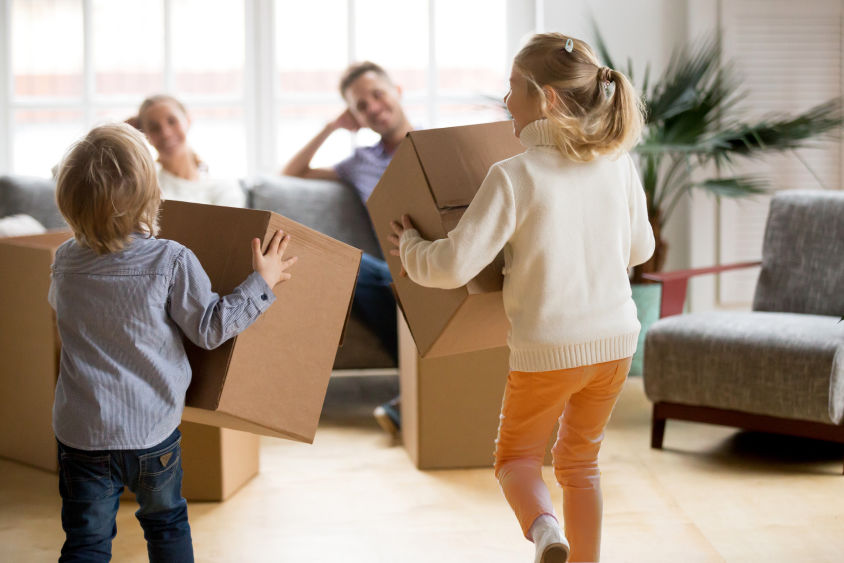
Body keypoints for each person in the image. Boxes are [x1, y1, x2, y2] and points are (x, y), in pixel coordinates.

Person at [387, 33, 654, 563]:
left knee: (516, 459)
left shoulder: (514, 175)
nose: (506, 101)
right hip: (617, 342)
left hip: (549, 351)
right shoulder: (617, 162)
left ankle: (546, 531)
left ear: (547, 99)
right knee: (581, 464)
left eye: (513, 89)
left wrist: (411, 248)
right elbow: (640, 248)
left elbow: (452, 266)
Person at [49, 122, 297, 562]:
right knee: (166, 526)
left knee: (86, 542)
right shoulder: (170, 260)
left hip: (81, 434)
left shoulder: (63, 259)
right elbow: (210, 328)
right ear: (152, 194)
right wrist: (263, 281)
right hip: (151, 434)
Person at [282, 61, 413, 436]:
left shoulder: (437, 144)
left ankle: (417, 393)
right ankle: (417, 387)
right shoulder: (360, 162)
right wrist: (331, 127)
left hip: (445, 260)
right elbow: (291, 173)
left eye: (377, 95)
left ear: (397, 91)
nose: (372, 107)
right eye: (360, 106)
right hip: (396, 270)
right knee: (346, 264)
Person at [130, 94, 246, 208]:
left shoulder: (222, 185)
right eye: (154, 128)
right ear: (146, 135)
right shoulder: (147, 186)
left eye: (172, 121)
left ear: (188, 120)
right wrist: (125, 130)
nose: (165, 133)